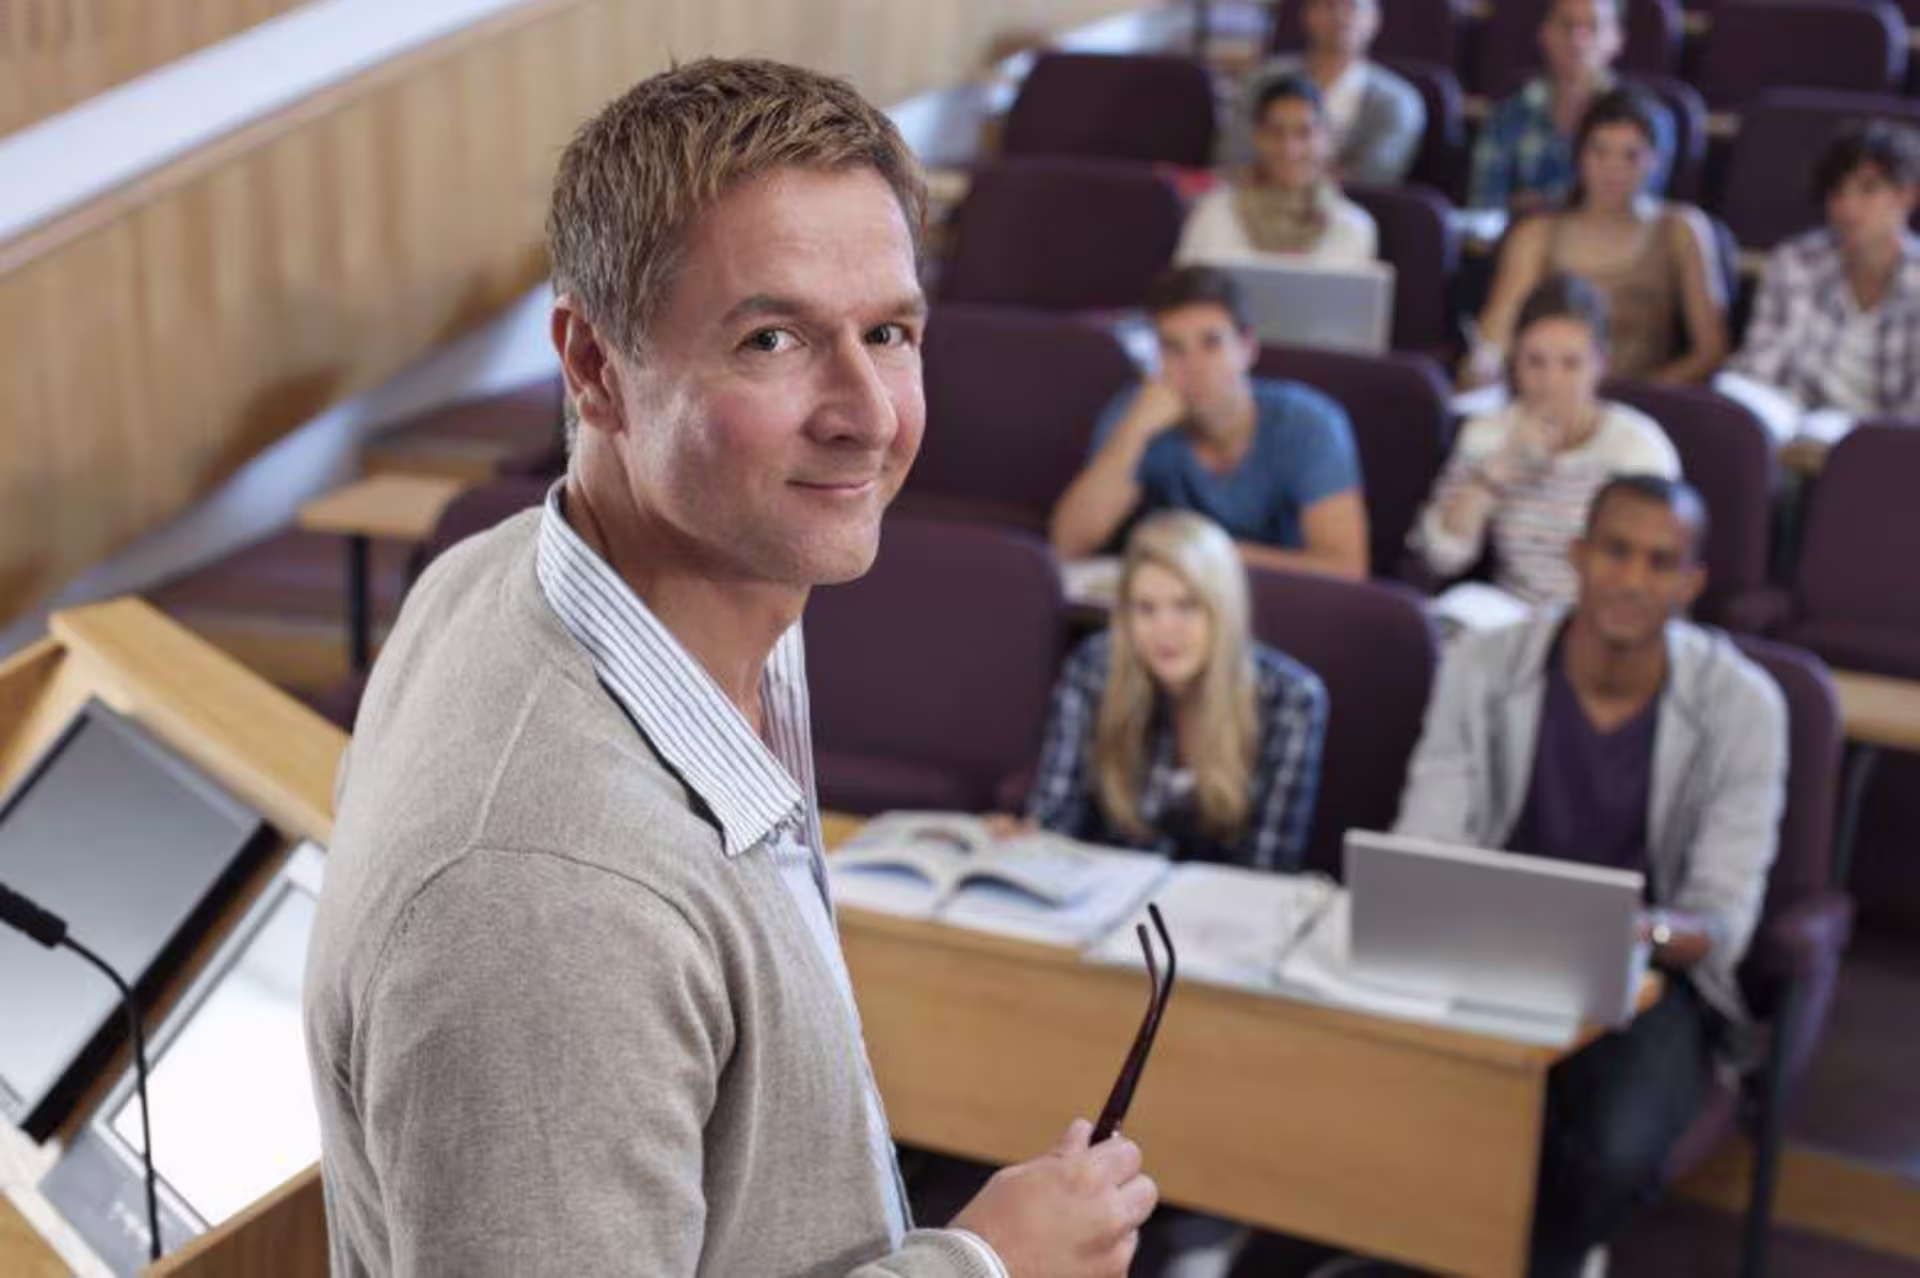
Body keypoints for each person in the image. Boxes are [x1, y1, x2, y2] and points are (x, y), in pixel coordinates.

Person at [304, 59, 1158, 1278]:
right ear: (595, 367)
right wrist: (985, 1268)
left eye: (891, 333)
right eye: (773, 339)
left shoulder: (524, 572)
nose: (867, 412)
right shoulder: (546, 901)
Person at [1395, 474, 1787, 1276]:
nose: (1633, 581)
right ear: (1577, 556)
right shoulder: (1486, 664)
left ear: (1691, 582)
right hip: (1486, 948)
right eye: (1615, 552)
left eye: (1660, 561)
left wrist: (1644, 932)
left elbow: (1721, 918)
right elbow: (1428, 837)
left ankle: (1542, 1256)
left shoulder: (1745, 706)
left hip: (1650, 982)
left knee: (1617, 1148)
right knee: (1395, 1101)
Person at [1027, 511, 1329, 874]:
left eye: (1187, 606)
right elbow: (1051, 825)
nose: (1164, 630)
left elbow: (1266, 869)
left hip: (1223, 915)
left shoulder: (1292, 701)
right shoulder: (1093, 668)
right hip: (1107, 902)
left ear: (1223, 611)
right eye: (1145, 609)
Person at [1049, 266, 1369, 581]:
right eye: (1173, 349)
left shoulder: (1308, 424)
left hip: (1281, 609)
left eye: (1211, 344)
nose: (1193, 367)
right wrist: (1134, 431)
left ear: (1247, 348)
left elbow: (1346, 569)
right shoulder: (1136, 414)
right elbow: (1068, 545)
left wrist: (1208, 554)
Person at [1415, 273, 1681, 606]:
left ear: (1601, 364)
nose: (1550, 382)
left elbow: (1652, 572)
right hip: (1513, 616)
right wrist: (1497, 472)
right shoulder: (1489, 432)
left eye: (1571, 365)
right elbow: (1442, 554)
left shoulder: (1638, 447)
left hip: (1602, 617)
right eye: (1534, 362)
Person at [1463, 87, 1728, 390]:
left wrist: (1640, 402)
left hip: (1642, 405)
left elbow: (1710, 352)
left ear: (1654, 161)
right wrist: (1481, 367)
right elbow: (1496, 333)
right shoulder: (1537, 233)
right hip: (1544, 394)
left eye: (1631, 155)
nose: (1613, 168)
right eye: (1600, 151)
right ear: (1579, 155)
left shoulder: (1681, 230)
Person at [1729, 119, 1920, 419]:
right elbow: (1757, 371)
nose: (1848, 207)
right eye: (1837, 192)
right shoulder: (1794, 261)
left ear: (1907, 194)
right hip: (1793, 428)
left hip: (1888, 446)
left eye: (1868, 189)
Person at [1467, 0, 1674, 216]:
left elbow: (1639, 212)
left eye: (1592, 27)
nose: (1577, 40)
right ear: (1544, 32)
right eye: (1567, 25)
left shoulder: (1650, 121)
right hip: (1521, 247)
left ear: (1617, 38)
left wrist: (1537, 206)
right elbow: (1484, 213)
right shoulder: (1507, 115)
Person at [1178, 75, 1379, 269]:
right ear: (1256, 137)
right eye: (1276, 132)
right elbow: (1185, 298)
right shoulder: (1215, 214)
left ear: (1326, 139)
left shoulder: (1354, 228)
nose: (1289, 149)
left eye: (1304, 133)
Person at [1223, 0, 1425, 186]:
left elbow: (1374, 177)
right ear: (1307, 15)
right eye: (1328, 5)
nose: (1339, 15)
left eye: (1352, 6)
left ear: (1374, 18)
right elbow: (1233, 156)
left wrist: (1288, 175)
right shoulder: (1261, 80)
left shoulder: (1399, 101)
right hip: (1251, 202)